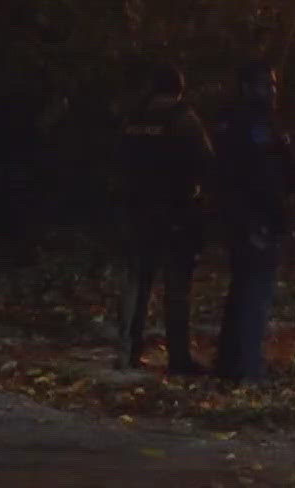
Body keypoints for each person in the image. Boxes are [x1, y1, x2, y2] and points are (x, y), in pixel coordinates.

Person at [113, 65, 212, 372]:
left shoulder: (133, 119)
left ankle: (127, 353)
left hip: (137, 213)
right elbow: (207, 164)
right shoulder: (184, 120)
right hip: (175, 214)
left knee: (137, 285)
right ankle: (178, 358)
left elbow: (118, 163)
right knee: (177, 289)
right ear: (180, 89)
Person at [212, 61, 295, 384]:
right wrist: (271, 219)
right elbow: (272, 178)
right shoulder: (256, 125)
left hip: (238, 217)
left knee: (241, 291)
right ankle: (250, 369)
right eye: (267, 85)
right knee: (255, 295)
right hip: (256, 220)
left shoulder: (227, 120)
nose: (273, 91)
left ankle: (228, 362)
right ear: (249, 87)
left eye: (274, 85)